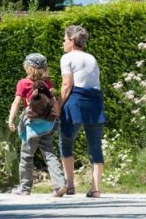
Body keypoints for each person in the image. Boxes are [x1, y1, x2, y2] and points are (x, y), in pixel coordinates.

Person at [6, 52, 66, 197]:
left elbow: (16, 102)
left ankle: (25, 188)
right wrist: (58, 116)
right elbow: (54, 103)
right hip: (47, 124)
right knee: (49, 153)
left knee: (26, 156)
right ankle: (60, 185)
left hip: (31, 126)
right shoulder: (47, 83)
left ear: (28, 67)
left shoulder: (23, 83)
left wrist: (11, 120)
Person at [59, 24, 106, 197]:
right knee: (95, 146)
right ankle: (95, 189)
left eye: (65, 39)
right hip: (95, 102)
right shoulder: (91, 58)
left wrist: (58, 105)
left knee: (65, 141)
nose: (63, 42)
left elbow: (66, 85)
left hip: (75, 102)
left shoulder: (67, 58)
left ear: (71, 40)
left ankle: (70, 185)